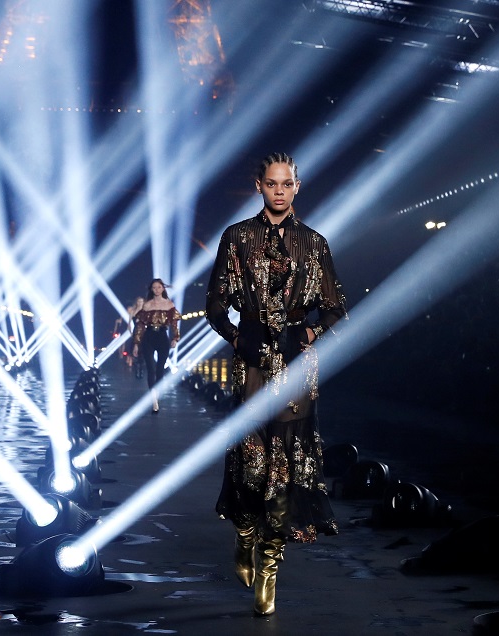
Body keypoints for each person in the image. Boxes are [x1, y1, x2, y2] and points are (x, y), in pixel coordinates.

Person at [205, 152, 347, 616]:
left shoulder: (314, 243)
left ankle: (270, 564)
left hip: (297, 363)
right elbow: (214, 303)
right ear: (259, 186)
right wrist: (237, 338)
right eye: (272, 183)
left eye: (287, 183)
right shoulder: (237, 237)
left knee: (286, 462)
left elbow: (335, 307)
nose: (279, 190)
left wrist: (310, 333)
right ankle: (246, 532)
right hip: (250, 362)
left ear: (297, 186)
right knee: (251, 464)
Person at [131, 279, 180, 413]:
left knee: (160, 370)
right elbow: (140, 326)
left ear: (163, 289)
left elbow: (174, 324)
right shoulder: (147, 305)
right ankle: (154, 399)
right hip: (149, 336)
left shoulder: (169, 304)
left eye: (159, 287)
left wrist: (175, 338)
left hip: (162, 337)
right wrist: (136, 344)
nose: (157, 290)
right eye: (154, 287)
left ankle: (157, 393)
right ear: (151, 289)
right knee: (151, 369)